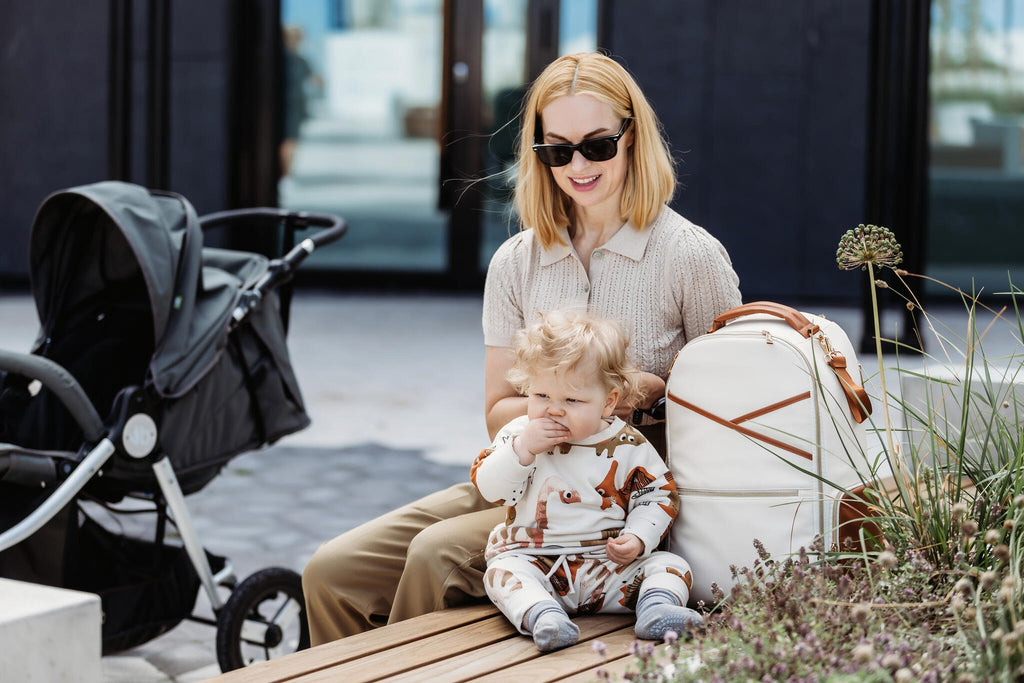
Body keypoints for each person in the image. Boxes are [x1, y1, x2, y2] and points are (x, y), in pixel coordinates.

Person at [302, 51, 741, 646]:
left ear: (632, 138)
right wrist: (567, 406)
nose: (577, 165)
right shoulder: (517, 261)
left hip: (620, 508)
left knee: (435, 555)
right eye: (556, 149)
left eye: (597, 145)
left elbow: (730, 419)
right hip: (524, 476)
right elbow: (497, 413)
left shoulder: (690, 256)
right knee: (331, 571)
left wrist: (648, 397)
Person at [473, 311, 702, 651]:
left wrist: (638, 537)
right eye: (541, 396)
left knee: (671, 565)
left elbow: (658, 494)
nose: (553, 410)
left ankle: (655, 609)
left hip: (610, 569)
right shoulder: (519, 436)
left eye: (571, 400)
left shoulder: (627, 444)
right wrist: (522, 451)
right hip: (537, 563)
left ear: (608, 402)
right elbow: (492, 490)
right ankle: (543, 616)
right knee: (501, 574)